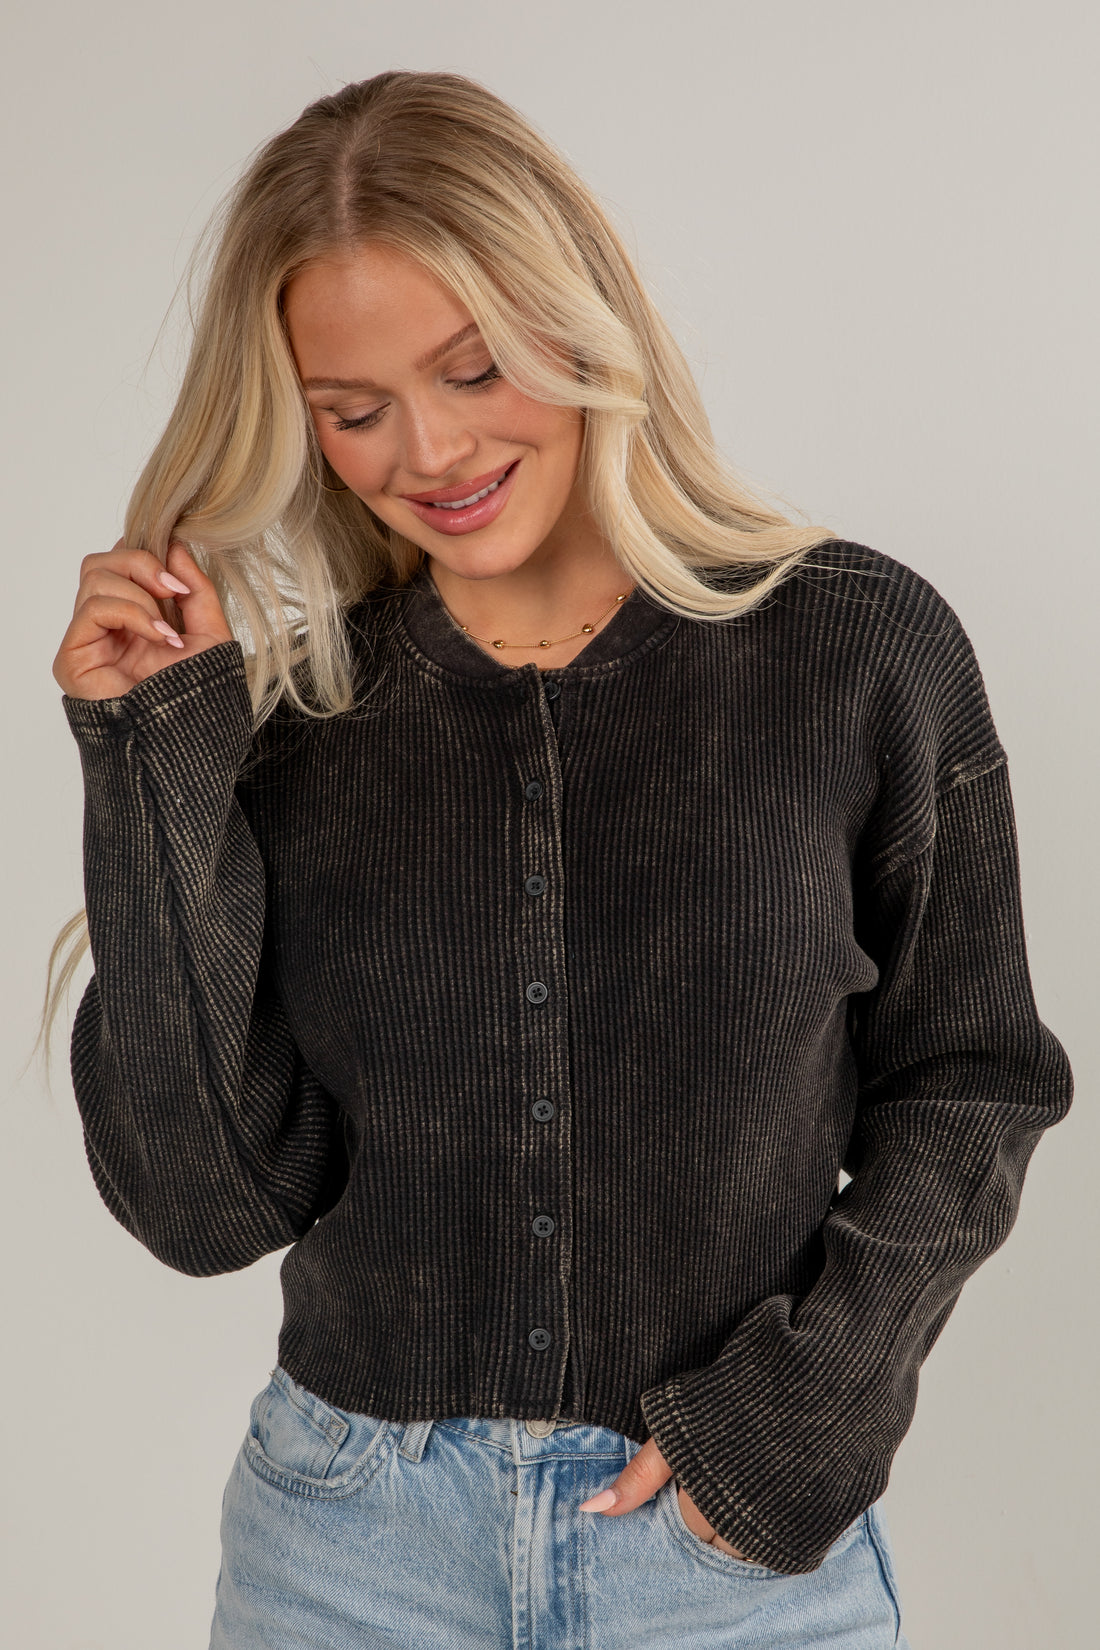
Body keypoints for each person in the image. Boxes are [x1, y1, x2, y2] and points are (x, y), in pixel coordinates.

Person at [48, 70, 1072, 1649]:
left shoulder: (857, 652)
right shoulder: (292, 724)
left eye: (473, 366)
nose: (431, 447)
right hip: (348, 1556)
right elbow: (206, 1206)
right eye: (354, 407)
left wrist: (808, 1411)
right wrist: (146, 760)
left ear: (580, 314)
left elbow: (973, 1076)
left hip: (729, 1560)